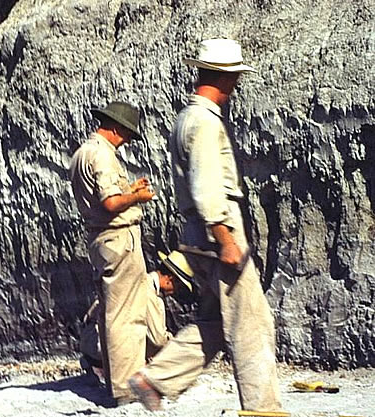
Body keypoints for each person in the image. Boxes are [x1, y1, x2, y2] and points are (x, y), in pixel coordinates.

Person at [128, 38, 283, 412]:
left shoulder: (185, 118)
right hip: (218, 234)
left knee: (214, 322)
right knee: (251, 325)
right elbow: (207, 185)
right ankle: (263, 409)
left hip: (195, 237)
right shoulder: (206, 122)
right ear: (226, 78)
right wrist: (226, 238)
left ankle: (155, 379)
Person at [69, 101, 156, 405]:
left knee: (111, 312)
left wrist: (128, 190)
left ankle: (114, 381)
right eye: (127, 135)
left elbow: (98, 199)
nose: (128, 141)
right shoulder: (104, 155)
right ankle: (126, 389)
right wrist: (137, 196)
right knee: (127, 315)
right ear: (117, 128)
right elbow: (109, 203)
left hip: (100, 240)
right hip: (119, 238)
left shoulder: (82, 153)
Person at [79, 250, 194, 385]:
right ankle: (108, 368)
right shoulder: (148, 293)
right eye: (178, 286)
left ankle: (97, 363)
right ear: (170, 279)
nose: (175, 292)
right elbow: (158, 340)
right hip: (105, 347)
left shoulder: (132, 280)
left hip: (90, 342)